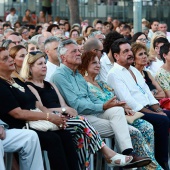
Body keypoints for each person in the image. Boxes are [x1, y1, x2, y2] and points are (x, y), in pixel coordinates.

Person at [19, 51, 134, 169]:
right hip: (51, 120)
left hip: (64, 119)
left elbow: (65, 105)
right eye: (39, 64)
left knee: (82, 136)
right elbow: (42, 109)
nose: (44, 66)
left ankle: (84, 168)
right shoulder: (29, 86)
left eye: (44, 62)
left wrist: (68, 110)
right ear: (30, 68)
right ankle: (108, 153)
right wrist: (63, 110)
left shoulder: (50, 84)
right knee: (82, 122)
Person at [50, 38, 152, 169]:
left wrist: (111, 104)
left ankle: (127, 153)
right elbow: (76, 105)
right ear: (63, 57)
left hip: (94, 113)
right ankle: (125, 160)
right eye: (74, 51)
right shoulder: (59, 76)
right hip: (80, 117)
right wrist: (103, 106)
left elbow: (92, 99)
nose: (78, 53)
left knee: (117, 111)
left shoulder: (78, 75)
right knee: (128, 129)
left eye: (78, 51)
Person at [78, 51, 162, 170]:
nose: (98, 65)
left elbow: (115, 98)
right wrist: (118, 107)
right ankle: (149, 167)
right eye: (93, 63)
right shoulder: (84, 83)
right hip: (100, 115)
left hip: (118, 114)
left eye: (98, 62)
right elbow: (94, 104)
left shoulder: (101, 83)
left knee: (147, 127)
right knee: (136, 131)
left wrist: (124, 106)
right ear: (85, 65)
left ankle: (147, 164)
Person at [0, 47, 79, 170]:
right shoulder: (1, 85)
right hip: (21, 126)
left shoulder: (16, 81)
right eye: (5, 58)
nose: (11, 60)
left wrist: (55, 118)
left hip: (37, 121)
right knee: (53, 139)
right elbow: (18, 114)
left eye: (10, 56)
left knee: (65, 134)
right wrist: (48, 117)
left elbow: (38, 105)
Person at [106, 38, 170, 170]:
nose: (130, 53)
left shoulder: (134, 70)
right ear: (116, 56)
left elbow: (147, 93)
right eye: (125, 51)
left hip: (147, 108)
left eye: (130, 50)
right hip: (133, 113)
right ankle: (161, 163)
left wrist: (158, 109)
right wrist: (156, 113)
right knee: (162, 120)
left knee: (165, 116)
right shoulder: (114, 74)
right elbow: (128, 101)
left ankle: (162, 159)